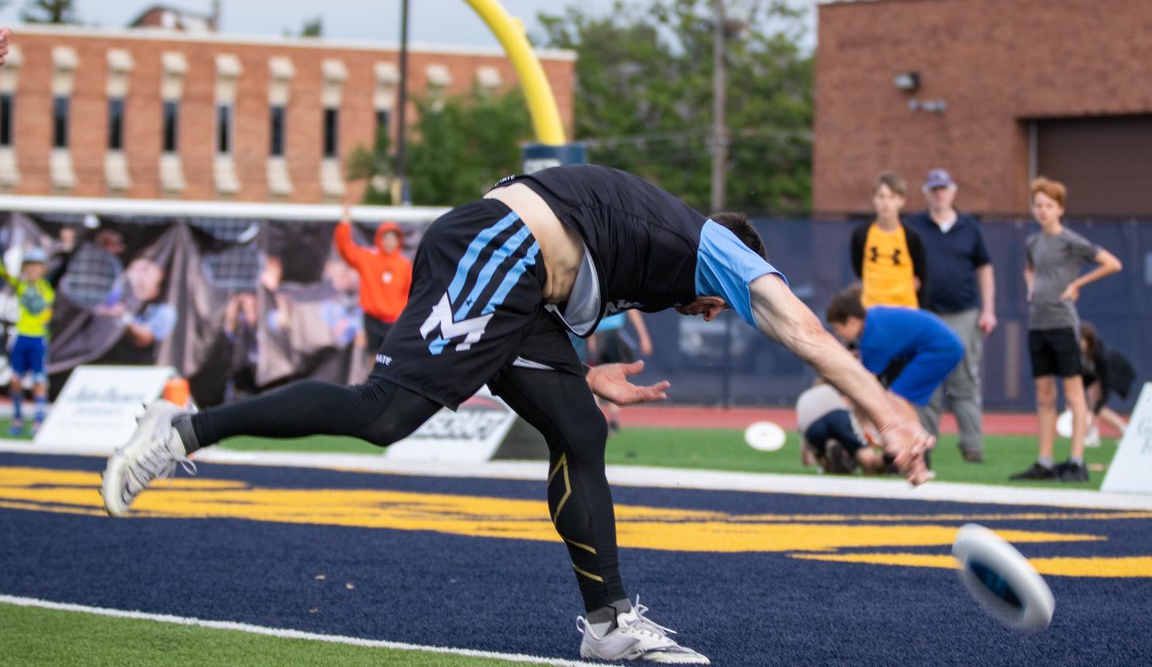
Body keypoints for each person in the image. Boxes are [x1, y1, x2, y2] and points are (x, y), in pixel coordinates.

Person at [102, 164, 934, 665]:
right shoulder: (714, 249)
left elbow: (567, 281)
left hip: (525, 278)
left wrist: (583, 375)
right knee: (383, 414)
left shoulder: (656, 258)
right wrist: (891, 415)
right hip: (498, 250)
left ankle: (608, 627)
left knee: (580, 429)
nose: (713, 315)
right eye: (720, 305)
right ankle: (181, 427)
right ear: (735, 266)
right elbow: (811, 336)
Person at [1009, 177, 1122, 483]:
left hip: (1062, 324)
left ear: (1060, 209)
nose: (1042, 211)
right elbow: (1029, 268)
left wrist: (1076, 284)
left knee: (1074, 393)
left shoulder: (1071, 241)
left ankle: (1077, 461)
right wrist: (1031, 288)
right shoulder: (1033, 243)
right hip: (1038, 324)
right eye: (1038, 205)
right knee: (1044, 394)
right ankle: (1044, 462)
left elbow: (1112, 263)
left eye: (1049, 205)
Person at [908, 168, 996, 463]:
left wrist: (989, 310)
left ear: (953, 191)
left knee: (965, 380)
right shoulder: (914, 226)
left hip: (964, 313)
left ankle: (973, 448)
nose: (939, 194)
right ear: (926, 193)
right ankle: (925, 446)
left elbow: (985, 268)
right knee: (928, 382)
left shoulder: (969, 228)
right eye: (934, 189)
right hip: (927, 315)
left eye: (943, 188)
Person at [825, 286, 964, 432]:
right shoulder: (872, 318)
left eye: (837, 328)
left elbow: (866, 382)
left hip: (940, 349)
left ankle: (916, 446)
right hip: (942, 345)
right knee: (898, 397)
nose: (838, 334)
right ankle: (911, 443)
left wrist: (844, 402)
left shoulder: (872, 340)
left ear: (852, 322)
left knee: (898, 398)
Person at [2, 228, 77, 435]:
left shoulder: (47, 285)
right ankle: (17, 419)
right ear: (24, 268)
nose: (33, 270)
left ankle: (39, 419)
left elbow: (64, 266)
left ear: (43, 269)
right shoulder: (20, 285)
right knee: (15, 380)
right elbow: (3, 271)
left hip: (38, 340)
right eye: (29, 266)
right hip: (20, 338)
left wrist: (67, 246)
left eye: (37, 266)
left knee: (39, 381)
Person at [334, 194, 413, 353]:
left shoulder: (404, 265)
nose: (389, 242)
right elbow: (345, 249)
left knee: (392, 358)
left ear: (398, 241)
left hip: (395, 322)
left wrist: (403, 316)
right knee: (373, 358)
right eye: (386, 238)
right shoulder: (368, 258)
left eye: (393, 239)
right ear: (379, 239)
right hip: (372, 320)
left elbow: (410, 293)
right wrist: (345, 222)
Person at [849, 171, 927, 309]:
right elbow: (858, 267)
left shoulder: (911, 237)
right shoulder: (862, 234)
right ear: (874, 199)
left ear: (901, 200)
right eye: (881, 196)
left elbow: (922, 275)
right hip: (872, 309)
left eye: (892, 197)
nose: (886, 203)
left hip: (905, 309)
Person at [795, 381, 885, 475]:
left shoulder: (803, 398)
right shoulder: (831, 391)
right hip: (835, 414)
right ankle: (886, 460)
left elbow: (806, 461)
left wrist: (818, 457)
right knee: (866, 458)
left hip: (811, 425)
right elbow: (853, 420)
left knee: (822, 459)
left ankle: (829, 464)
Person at [587, 308, 653, 434]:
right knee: (592, 377)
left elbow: (632, 310)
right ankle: (603, 420)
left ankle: (610, 421)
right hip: (599, 334)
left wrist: (644, 337)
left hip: (608, 334)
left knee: (605, 377)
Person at [1079, 321, 1135, 440]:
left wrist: (1097, 407)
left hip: (1120, 374)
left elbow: (1106, 385)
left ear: (1087, 340)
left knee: (1097, 405)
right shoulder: (1084, 355)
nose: (1078, 343)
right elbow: (1086, 379)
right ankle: (1095, 433)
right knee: (1092, 398)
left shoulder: (1101, 356)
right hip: (1103, 377)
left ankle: (1124, 429)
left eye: (1081, 339)